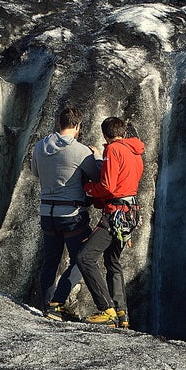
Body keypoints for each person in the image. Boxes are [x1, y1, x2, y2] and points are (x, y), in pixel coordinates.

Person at [30, 107, 100, 322]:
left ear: (59, 124)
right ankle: (56, 304)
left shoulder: (40, 146)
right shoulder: (80, 151)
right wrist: (97, 155)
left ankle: (46, 305)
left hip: (47, 213)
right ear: (77, 126)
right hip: (71, 214)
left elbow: (34, 172)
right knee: (82, 260)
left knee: (50, 261)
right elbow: (97, 175)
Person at [78, 117, 145, 328]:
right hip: (130, 213)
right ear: (123, 132)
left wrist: (88, 188)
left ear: (105, 134)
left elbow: (108, 186)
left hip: (115, 214)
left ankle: (106, 309)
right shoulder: (135, 152)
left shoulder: (113, 150)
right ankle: (122, 313)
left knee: (85, 257)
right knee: (112, 261)